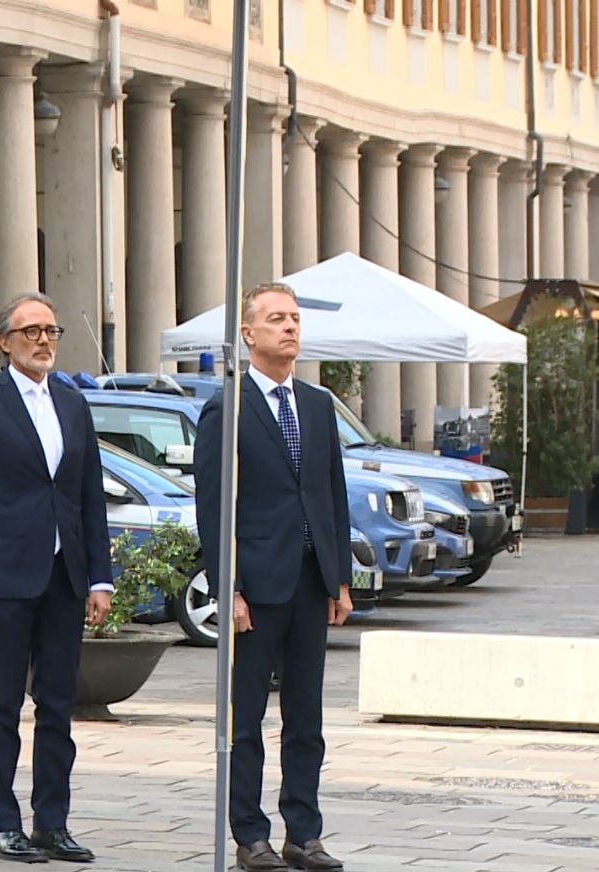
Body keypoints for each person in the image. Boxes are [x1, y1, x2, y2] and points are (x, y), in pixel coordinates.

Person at [0, 292, 113, 864]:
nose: (44, 340)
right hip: (7, 580)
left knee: (58, 705)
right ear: (4, 343)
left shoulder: (72, 403)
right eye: (31, 331)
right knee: (1, 704)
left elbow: (89, 495)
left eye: (51, 330)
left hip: (64, 578)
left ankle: (52, 822)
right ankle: (2, 824)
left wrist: (100, 578)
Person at [194, 282, 354, 872]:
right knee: (247, 719)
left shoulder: (315, 404)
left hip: (310, 583)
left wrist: (339, 579)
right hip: (256, 588)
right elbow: (213, 507)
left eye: (294, 319)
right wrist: (228, 586)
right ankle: (250, 835)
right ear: (248, 333)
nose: (289, 328)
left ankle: (304, 833)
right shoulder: (226, 407)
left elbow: (330, 493)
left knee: (306, 717)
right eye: (276, 319)